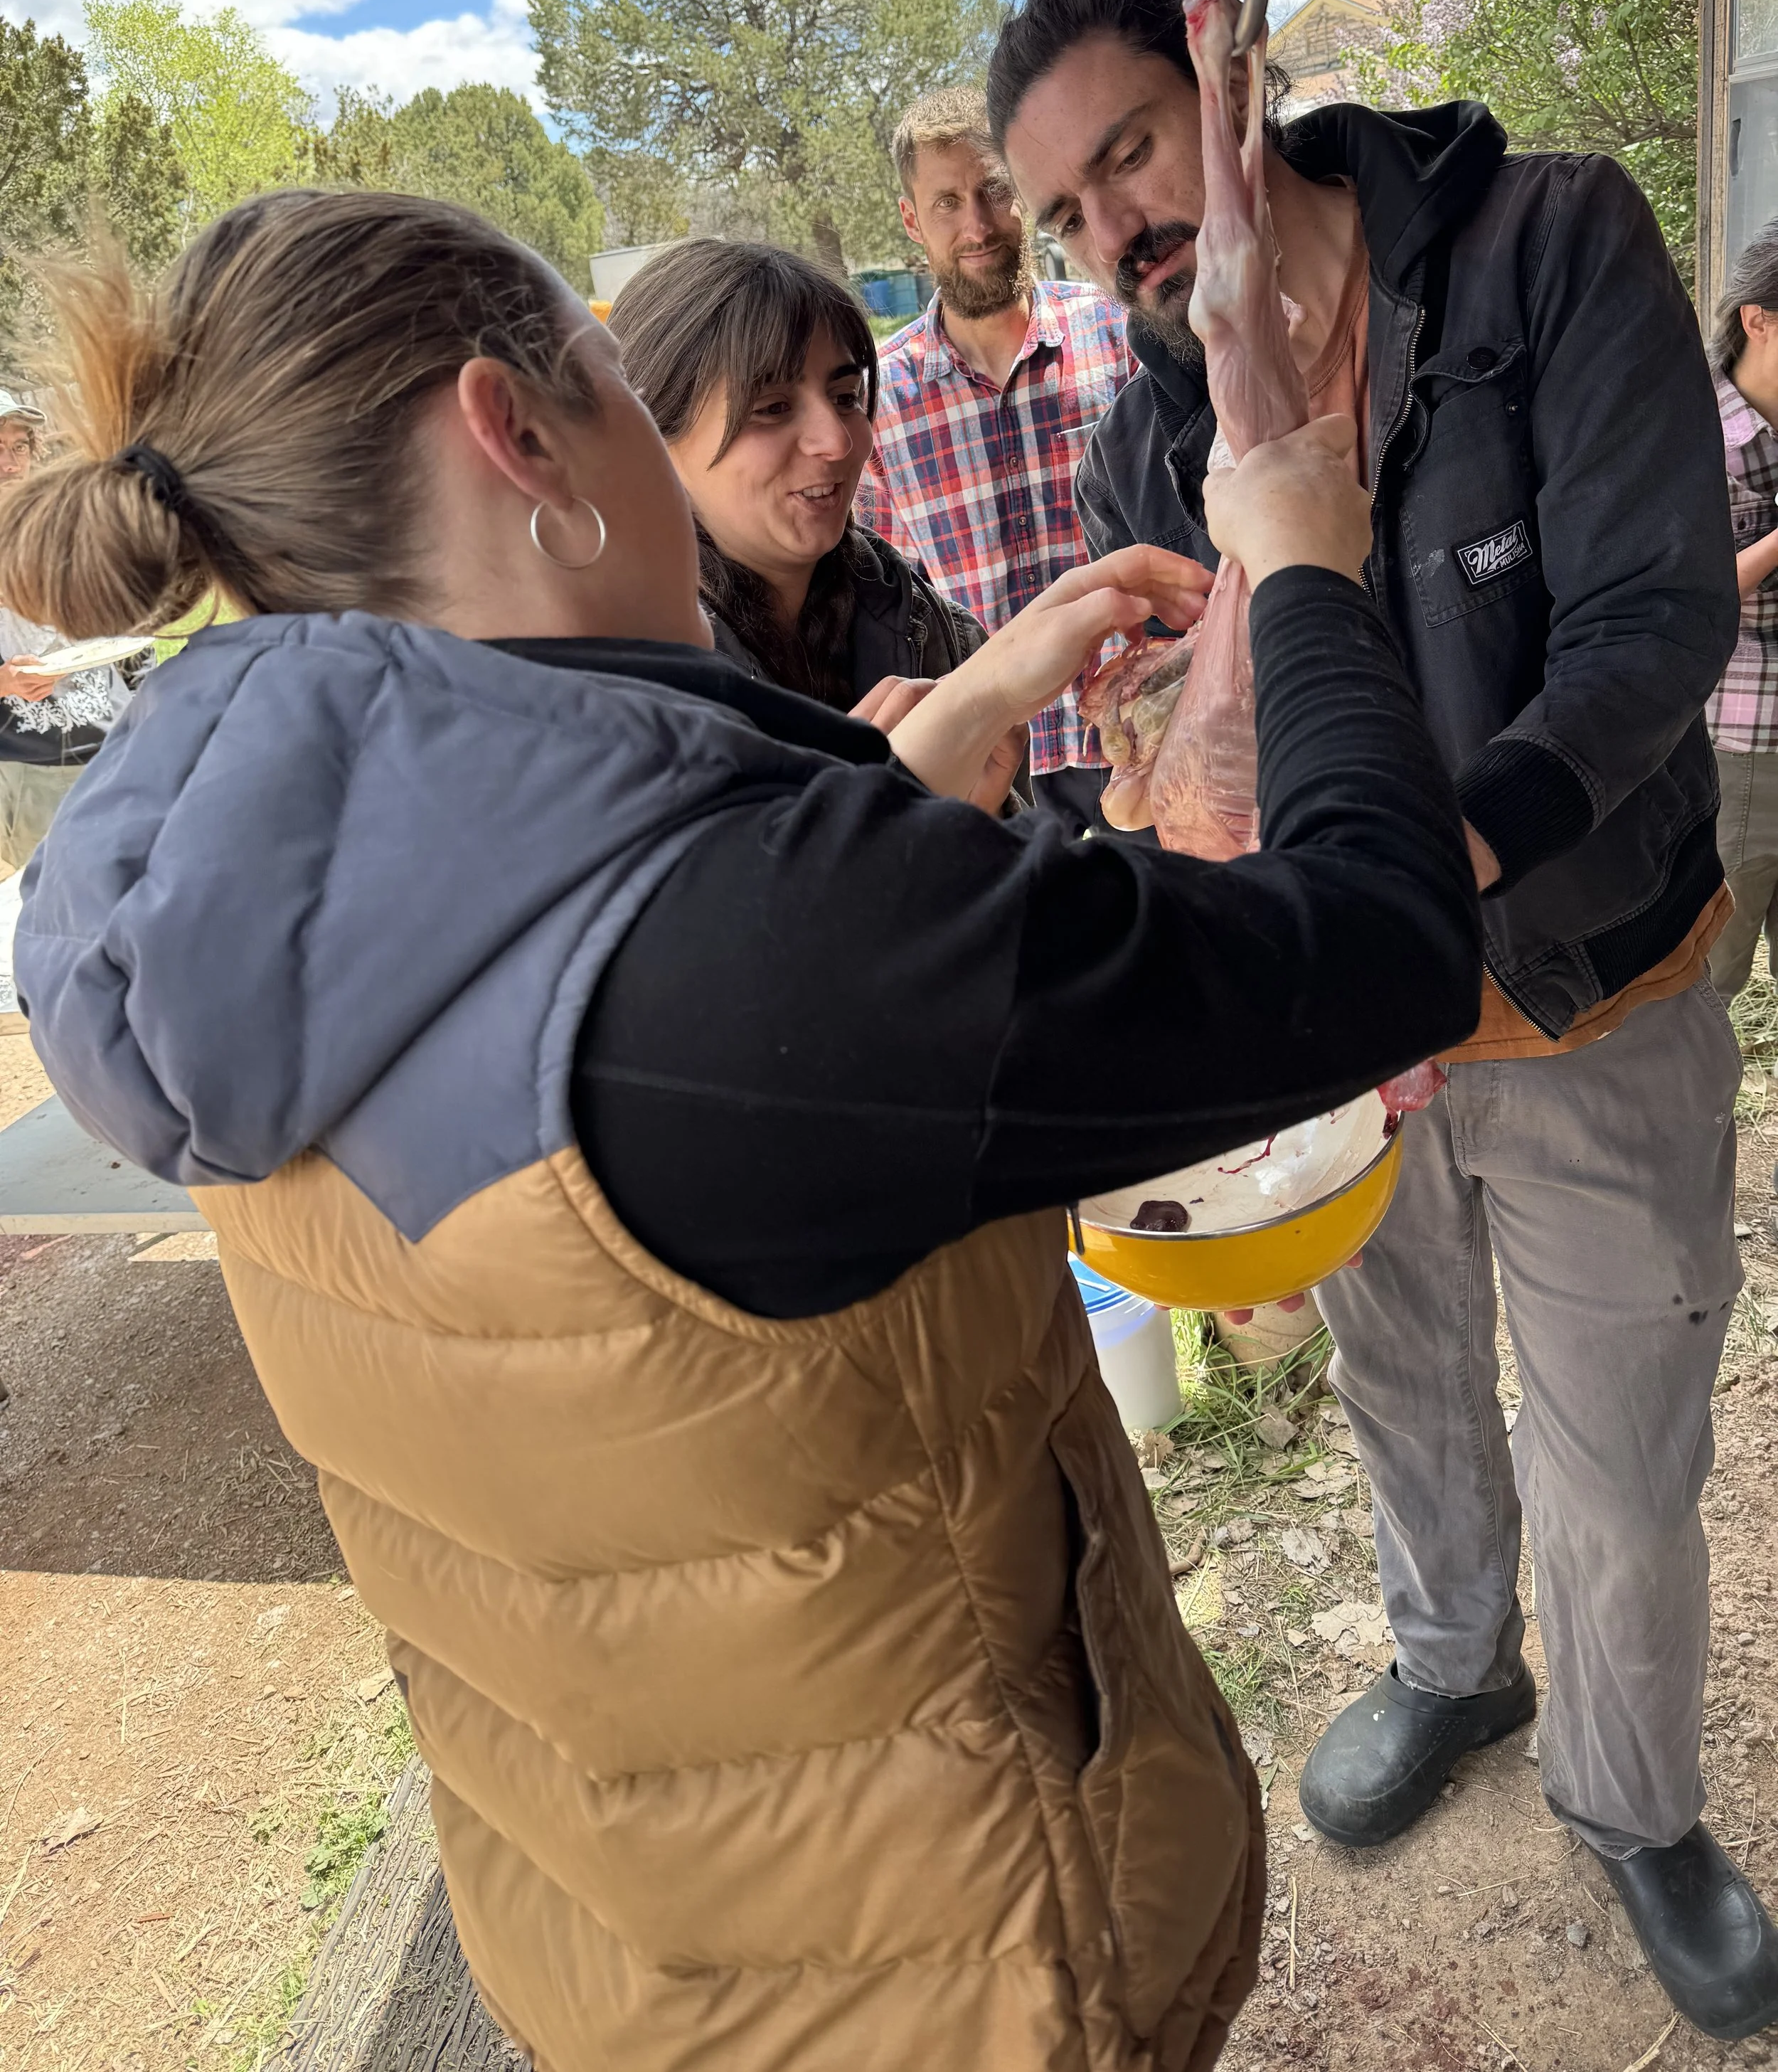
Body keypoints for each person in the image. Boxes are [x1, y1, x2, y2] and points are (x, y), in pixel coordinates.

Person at [2, 195, 1482, 2072]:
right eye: (615, 384)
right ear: (513, 430)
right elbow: (1384, 943)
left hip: (607, 1927)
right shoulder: (776, 937)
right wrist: (1304, 564)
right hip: (958, 1967)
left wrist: (912, 746)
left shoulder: (196, 895)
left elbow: (569, 991)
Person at [989, 0, 1769, 2042]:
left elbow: (1645, 621)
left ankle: (1628, 1802)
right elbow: (1176, 767)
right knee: (1400, 1381)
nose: (1110, 236)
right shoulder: (1155, 432)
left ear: (1229, 81)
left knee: (1615, 1450)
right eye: (1063, 215)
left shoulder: (1540, 243)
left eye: (1128, 157)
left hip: (1593, 984)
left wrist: (1427, 867)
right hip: (1344, 1051)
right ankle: (1449, 1662)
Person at [608, 241, 1004, 780]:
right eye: (772, 409)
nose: (837, 442)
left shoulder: (927, 628)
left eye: (845, 396)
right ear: (652, 434)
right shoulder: (632, 703)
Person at [856, 87, 1132, 832]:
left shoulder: (1121, 340)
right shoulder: (878, 401)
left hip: (1132, 739)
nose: (975, 224)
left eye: (994, 190)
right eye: (946, 202)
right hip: (982, 769)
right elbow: (884, 590)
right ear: (913, 220)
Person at [0, 388, 129, 876]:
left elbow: (130, 635)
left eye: (19, 446)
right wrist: (5, 681)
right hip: (32, 774)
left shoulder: (76, 528)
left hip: (117, 752)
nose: (10, 463)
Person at [1705, 222, 1778, 1003]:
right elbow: (1689, 591)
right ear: (1758, 320)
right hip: (1743, 738)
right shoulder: (1692, 429)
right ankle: (1689, 1128)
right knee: (1709, 979)